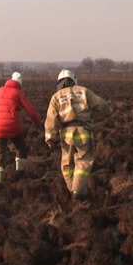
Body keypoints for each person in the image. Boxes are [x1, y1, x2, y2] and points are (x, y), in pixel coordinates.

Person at [44, 69, 113, 200]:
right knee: (83, 161)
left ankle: (73, 190)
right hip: (83, 132)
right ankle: (77, 192)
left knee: (66, 164)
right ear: (73, 80)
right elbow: (99, 103)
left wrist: (50, 138)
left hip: (66, 135)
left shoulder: (56, 97)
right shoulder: (83, 91)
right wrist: (109, 111)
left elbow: (51, 119)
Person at [0, 72, 41, 183]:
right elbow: (29, 109)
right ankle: (20, 172)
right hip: (13, 126)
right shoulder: (19, 93)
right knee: (20, 147)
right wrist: (37, 121)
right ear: (20, 83)